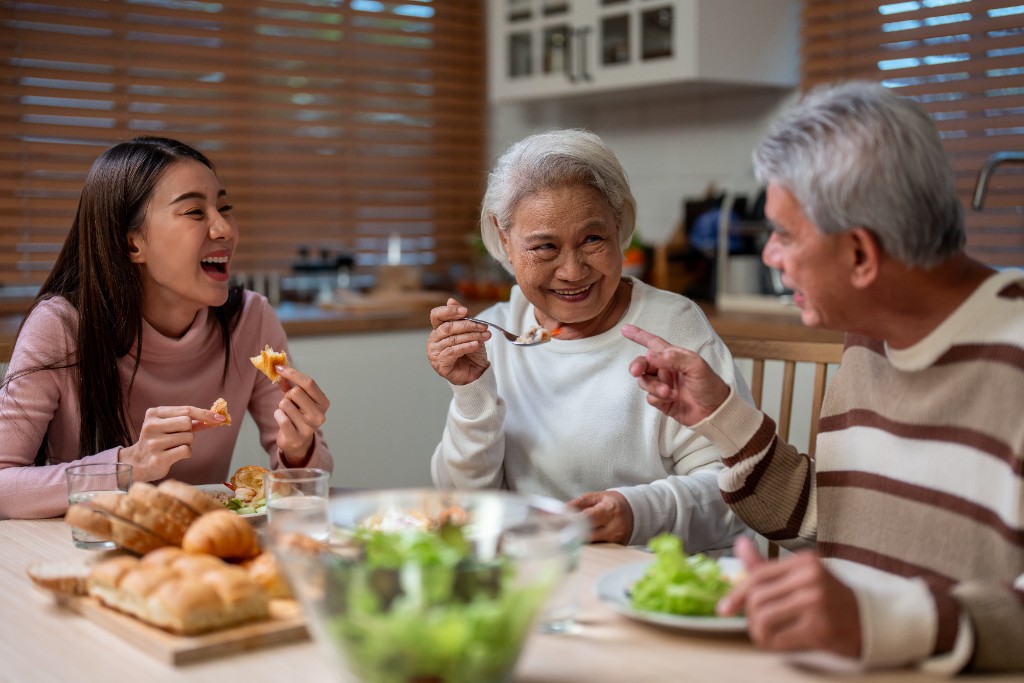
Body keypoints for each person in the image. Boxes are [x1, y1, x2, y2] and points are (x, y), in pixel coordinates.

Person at [624, 81, 1024, 673]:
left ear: (861, 254)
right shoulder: (869, 339)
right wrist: (723, 419)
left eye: (784, 234)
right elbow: (830, 523)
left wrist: (877, 620)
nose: (769, 256)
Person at [426, 128, 750, 550]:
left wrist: (637, 513)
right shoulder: (494, 337)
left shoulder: (672, 329)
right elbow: (464, 508)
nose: (573, 271)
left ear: (619, 225)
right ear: (505, 239)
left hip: (658, 585)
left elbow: (735, 493)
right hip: (540, 579)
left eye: (592, 239)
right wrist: (472, 394)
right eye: (544, 247)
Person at [0, 137, 333, 520]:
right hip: (85, 549)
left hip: (196, 553)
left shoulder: (251, 320)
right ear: (132, 244)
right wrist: (132, 462)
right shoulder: (60, 326)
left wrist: (298, 447)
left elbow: (311, 482)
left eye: (224, 208)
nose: (224, 228)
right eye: (195, 212)